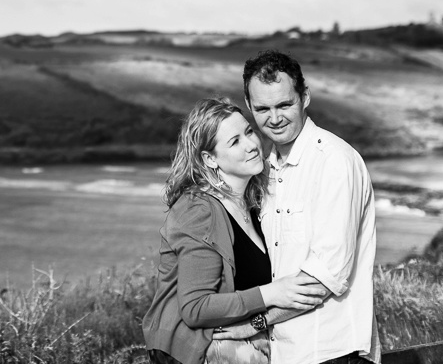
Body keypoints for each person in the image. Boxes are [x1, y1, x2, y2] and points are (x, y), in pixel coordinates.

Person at [143, 98, 328, 364]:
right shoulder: (199, 210)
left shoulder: (255, 203)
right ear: (209, 159)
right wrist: (273, 292)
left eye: (249, 131)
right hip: (192, 352)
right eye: (234, 141)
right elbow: (195, 308)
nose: (252, 145)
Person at [230, 48, 380, 364]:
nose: (275, 118)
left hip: (332, 350)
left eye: (285, 104)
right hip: (282, 353)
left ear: (305, 97)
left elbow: (324, 278)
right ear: (249, 106)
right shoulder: (263, 170)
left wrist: (253, 323)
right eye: (263, 108)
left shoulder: (334, 161)